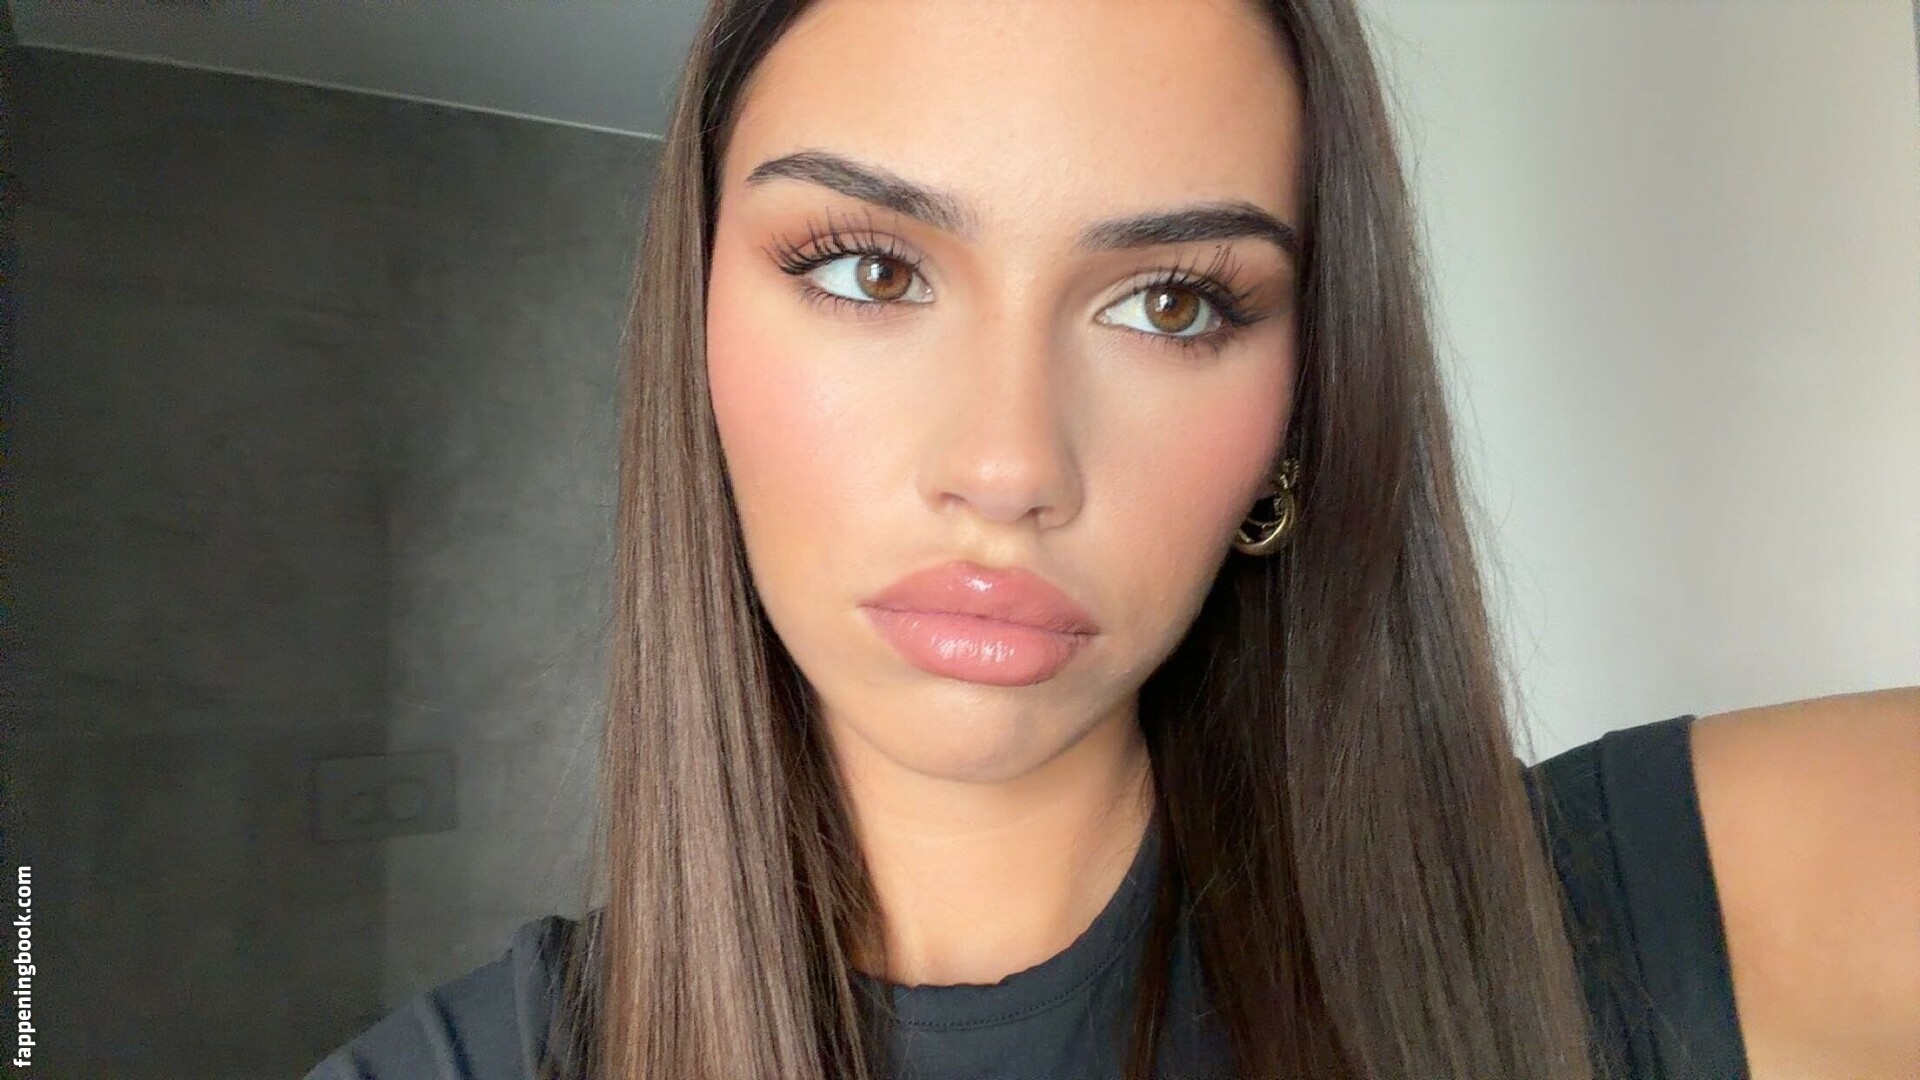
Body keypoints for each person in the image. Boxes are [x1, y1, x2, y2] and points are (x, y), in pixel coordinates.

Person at [304, 1, 1919, 1078]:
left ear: (1298, 415)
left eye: (1171, 304)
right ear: (698, 328)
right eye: (870, 270)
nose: (1009, 466)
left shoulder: (1626, 917)